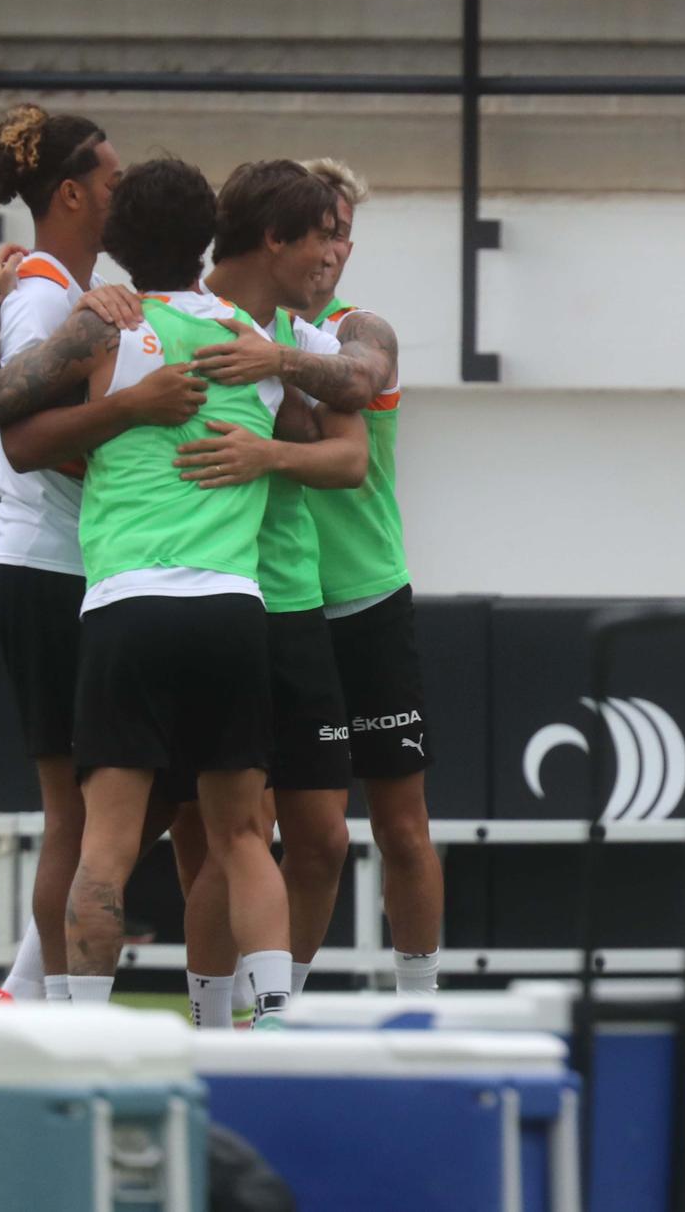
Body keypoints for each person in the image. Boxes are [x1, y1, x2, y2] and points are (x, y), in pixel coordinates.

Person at [0, 104, 199, 1007]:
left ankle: (31, 990)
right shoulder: (47, 295)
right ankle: (43, 1004)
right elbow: (20, 435)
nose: (121, 189)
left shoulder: (56, 288)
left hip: (68, 571)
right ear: (68, 192)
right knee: (80, 812)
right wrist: (134, 417)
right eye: (109, 177)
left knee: (136, 800)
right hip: (48, 567)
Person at [168, 159, 369, 1026]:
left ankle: (276, 1016)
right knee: (226, 835)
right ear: (274, 238)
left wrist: (271, 448)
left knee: (322, 837)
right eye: (323, 234)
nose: (337, 253)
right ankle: (215, 1025)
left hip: (291, 606)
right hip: (199, 599)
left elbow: (351, 457)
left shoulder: (306, 339)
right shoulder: (172, 310)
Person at [284, 159, 441, 997]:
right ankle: (272, 1013)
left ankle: (421, 1007)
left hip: (369, 598)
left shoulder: (360, 327)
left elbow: (360, 376)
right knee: (299, 838)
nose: (336, 246)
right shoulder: (228, 324)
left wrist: (267, 355)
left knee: (402, 828)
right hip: (280, 607)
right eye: (322, 228)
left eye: (346, 230)